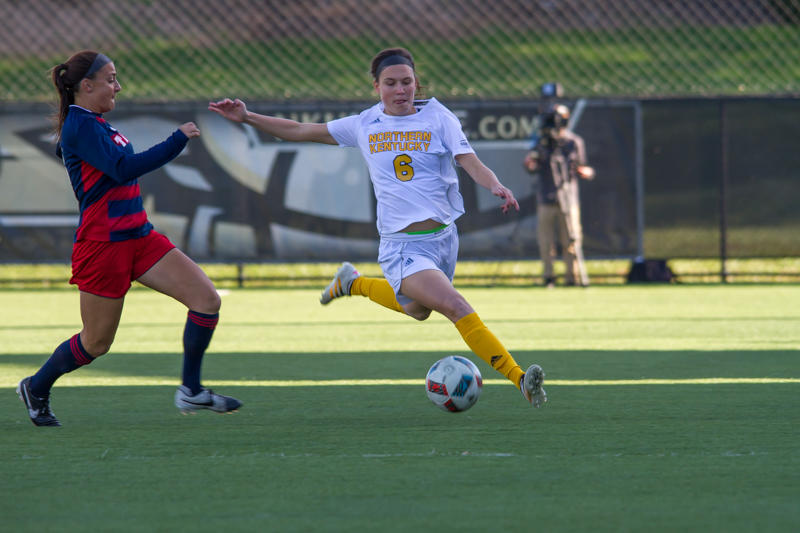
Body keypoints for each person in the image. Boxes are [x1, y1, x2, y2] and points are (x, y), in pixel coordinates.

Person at [210, 47, 547, 408]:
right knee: (457, 307)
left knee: (418, 310)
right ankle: (520, 379)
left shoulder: (439, 117)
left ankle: (353, 282)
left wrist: (494, 184)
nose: (400, 90)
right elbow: (299, 130)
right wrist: (247, 118)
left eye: (407, 82)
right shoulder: (365, 124)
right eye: (391, 83)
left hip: (445, 240)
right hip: (403, 247)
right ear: (376, 87)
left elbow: (469, 161)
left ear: (417, 83)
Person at [16, 51, 241, 427]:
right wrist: (176, 140)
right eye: (111, 79)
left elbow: (89, 158)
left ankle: (190, 389)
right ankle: (36, 387)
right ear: (86, 86)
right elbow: (121, 169)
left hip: (138, 235)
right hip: (104, 244)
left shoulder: (94, 123)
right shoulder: (81, 124)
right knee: (96, 343)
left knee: (206, 300)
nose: (117, 86)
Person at [523, 104, 594, 288]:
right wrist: (530, 163)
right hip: (546, 197)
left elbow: (584, 166)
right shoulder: (542, 141)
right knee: (545, 240)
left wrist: (582, 171)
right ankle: (549, 276)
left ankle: (573, 276)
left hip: (568, 197)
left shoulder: (573, 142)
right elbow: (533, 165)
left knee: (571, 238)